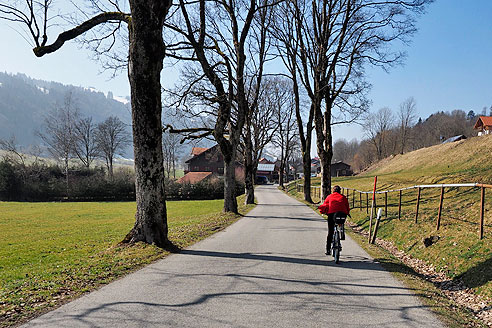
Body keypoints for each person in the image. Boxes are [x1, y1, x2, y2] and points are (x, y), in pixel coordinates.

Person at [318, 185, 350, 255]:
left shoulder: (329, 196)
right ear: (340, 191)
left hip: (332, 215)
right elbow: (347, 206)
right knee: (340, 222)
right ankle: (341, 232)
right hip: (342, 214)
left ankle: (328, 249)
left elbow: (325, 205)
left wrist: (321, 210)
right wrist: (347, 213)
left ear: (333, 191)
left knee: (330, 232)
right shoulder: (343, 197)